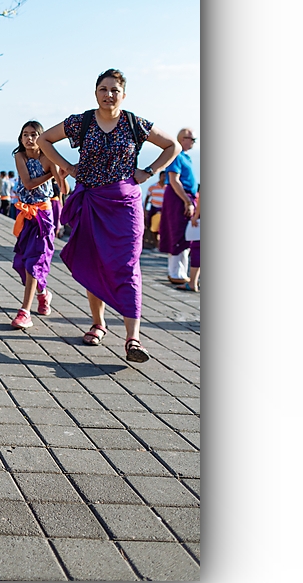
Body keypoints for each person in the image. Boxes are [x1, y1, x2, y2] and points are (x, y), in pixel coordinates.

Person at [38, 69, 179, 363]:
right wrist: (69, 167)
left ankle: (133, 338)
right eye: (103, 89)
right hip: (92, 201)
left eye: (114, 90)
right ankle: (98, 323)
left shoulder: (135, 123)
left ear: (123, 95)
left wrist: (148, 171)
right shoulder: (81, 122)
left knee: (127, 265)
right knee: (94, 261)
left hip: (125, 204)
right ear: (95, 93)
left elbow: (172, 146)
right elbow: (44, 140)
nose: (108, 94)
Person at [10, 122, 66, 330]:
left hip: (44, 214)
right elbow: (28, 183)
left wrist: (59, 172)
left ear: (41, 137)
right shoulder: (20, 156)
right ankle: (43, 294)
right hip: (26, 214)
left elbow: (63, 189)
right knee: (22, 261)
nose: (29, 138)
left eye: (34, 134)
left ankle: (24, 312)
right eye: (25, 134)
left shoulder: (49, 158)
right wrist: (51, 174)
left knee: (35, 261)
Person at [159, 129, 198, 284]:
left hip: (184, 197)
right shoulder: (176, 155)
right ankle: (176, 273)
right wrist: (187, 201)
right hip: (179, 198)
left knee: (185, 235)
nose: (194, 142)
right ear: (182, 139)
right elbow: (174, 180)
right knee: (178, 234)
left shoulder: (186, 157)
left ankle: (180, 272)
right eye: (192, 139)